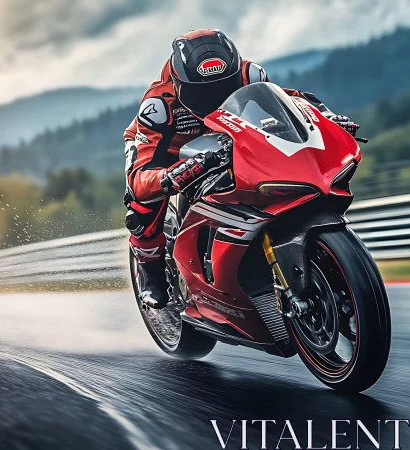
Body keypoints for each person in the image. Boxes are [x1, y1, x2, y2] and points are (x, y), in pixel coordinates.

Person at [124, 30, 360, 309]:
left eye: (225, 87)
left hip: (232, 133)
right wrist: (171, 175)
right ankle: (151, 273)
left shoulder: (251, 75)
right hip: (173, 150)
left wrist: (327, 118)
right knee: (141, 204)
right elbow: (139, 177)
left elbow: (292, 102)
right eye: (203, 92)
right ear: (179, 85)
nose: (214, 97)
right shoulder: (158, 106)